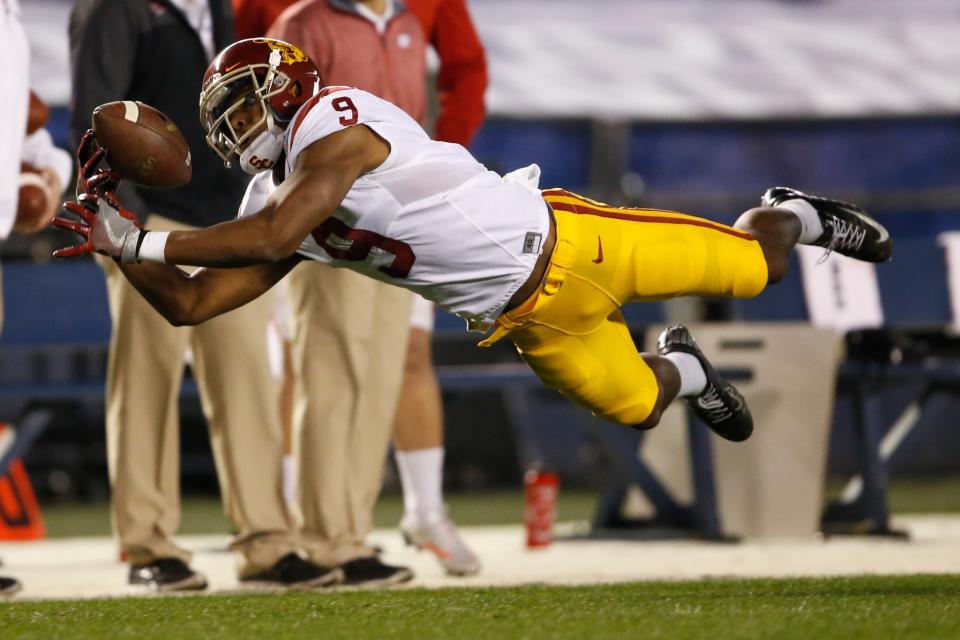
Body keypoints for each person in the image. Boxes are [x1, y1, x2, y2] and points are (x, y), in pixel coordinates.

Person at [54, 38, 893, 484]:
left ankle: (788, 214)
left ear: (283, 87)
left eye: (238, 106)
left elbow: (276, 237)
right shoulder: (269, 199)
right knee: (637, 405)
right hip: (524, 320)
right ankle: (690, 371)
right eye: (221, 120)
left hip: (574, 243)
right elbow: (193, 306)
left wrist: (144, 240)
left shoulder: (335, 119)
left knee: (757, 268)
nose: (232, 130)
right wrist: (112, 229)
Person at [69, 4, 337, 591]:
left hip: (224, 217)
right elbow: (95, 116)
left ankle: (266, 543)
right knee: (145, 383)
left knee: (247, 381)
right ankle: (148, 546)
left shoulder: (219, 3)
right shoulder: (115, 9)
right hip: (148, 217)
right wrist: (117, 226)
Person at [265, 0, 483, 579]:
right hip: (332, 229)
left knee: (377, 382)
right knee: (328, 378)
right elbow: (272, 134)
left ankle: (352, 536)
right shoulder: (303, 23)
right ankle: (324, 538)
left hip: (399, 231)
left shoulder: (409, 22)